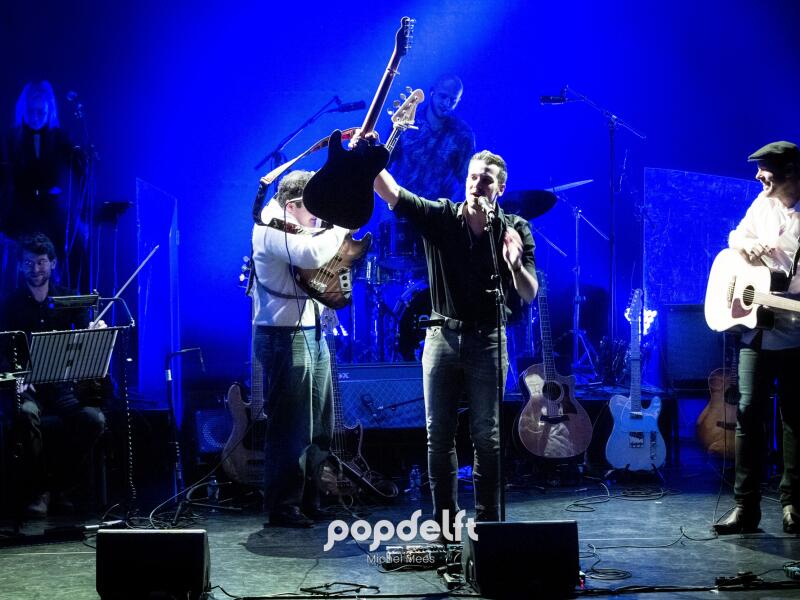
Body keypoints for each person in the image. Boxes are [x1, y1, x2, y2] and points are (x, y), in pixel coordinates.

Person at [372, 149, 538, 527]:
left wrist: (514, 264)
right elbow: (392, 192)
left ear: (500, 188)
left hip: (489, 339)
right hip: (442, 337)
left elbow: (529, 292)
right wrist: (369, 157)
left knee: (487, 437)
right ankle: (444, 525)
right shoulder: (442, 216)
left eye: (486, 180)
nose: (476, 184)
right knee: (439, 435)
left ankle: (488, 526)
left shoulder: (514, 228)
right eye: (472, 177)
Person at [251, 170, 348, 527]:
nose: (320, 217)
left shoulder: (297, 225)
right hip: (283, 336)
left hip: (311, 332)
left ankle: (310, 497)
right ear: (292, 205)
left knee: (320, 423)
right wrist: (343, 224)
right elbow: (312, 254)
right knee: (291, 426)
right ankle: (283, 505)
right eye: (314, 208)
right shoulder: (269, 227)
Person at [714, 141, 800, 535]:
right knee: (748, 414)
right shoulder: (762, 205)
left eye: (764, 168)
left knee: (795, 419)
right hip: (756, 332)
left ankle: (793, 504)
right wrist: (747, 244)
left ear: (789, 171)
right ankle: (745, 507)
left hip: (795, 334)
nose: (757, 175)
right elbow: (734, 236)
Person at [0, 232, 105, 517]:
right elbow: (2, 351)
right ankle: (40, 491)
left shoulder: (69, 299)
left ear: (53, 263)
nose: (35, 269)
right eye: (29, 263)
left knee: (93, 420)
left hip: (62, 389)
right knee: (25, 416)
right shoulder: (9, 305)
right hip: (28, 390)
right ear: (20, 265)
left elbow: (85, 340)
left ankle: (61, 487)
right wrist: (16, 376)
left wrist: (95, 330)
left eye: (41, 262)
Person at [0, 81, 89, 291]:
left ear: (49, 111)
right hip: (22, 210)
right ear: (23, 111)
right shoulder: (12, 139)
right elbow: (5, 182)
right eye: (31, 111)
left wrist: (79, 219)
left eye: (41, 111)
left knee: (76, 245)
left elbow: (79, 174)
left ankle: (72, 301)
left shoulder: (60, 138)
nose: (35, 116)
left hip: (52, 210)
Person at [387, 74, 476, 201]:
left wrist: (454, 210)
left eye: (453, 100)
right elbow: (385, 163)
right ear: (432, 92)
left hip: (436, 209)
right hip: (398, 203)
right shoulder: (404, 122)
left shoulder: (463, 134)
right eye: (443, 96)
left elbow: (467, 180)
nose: (446, 103)